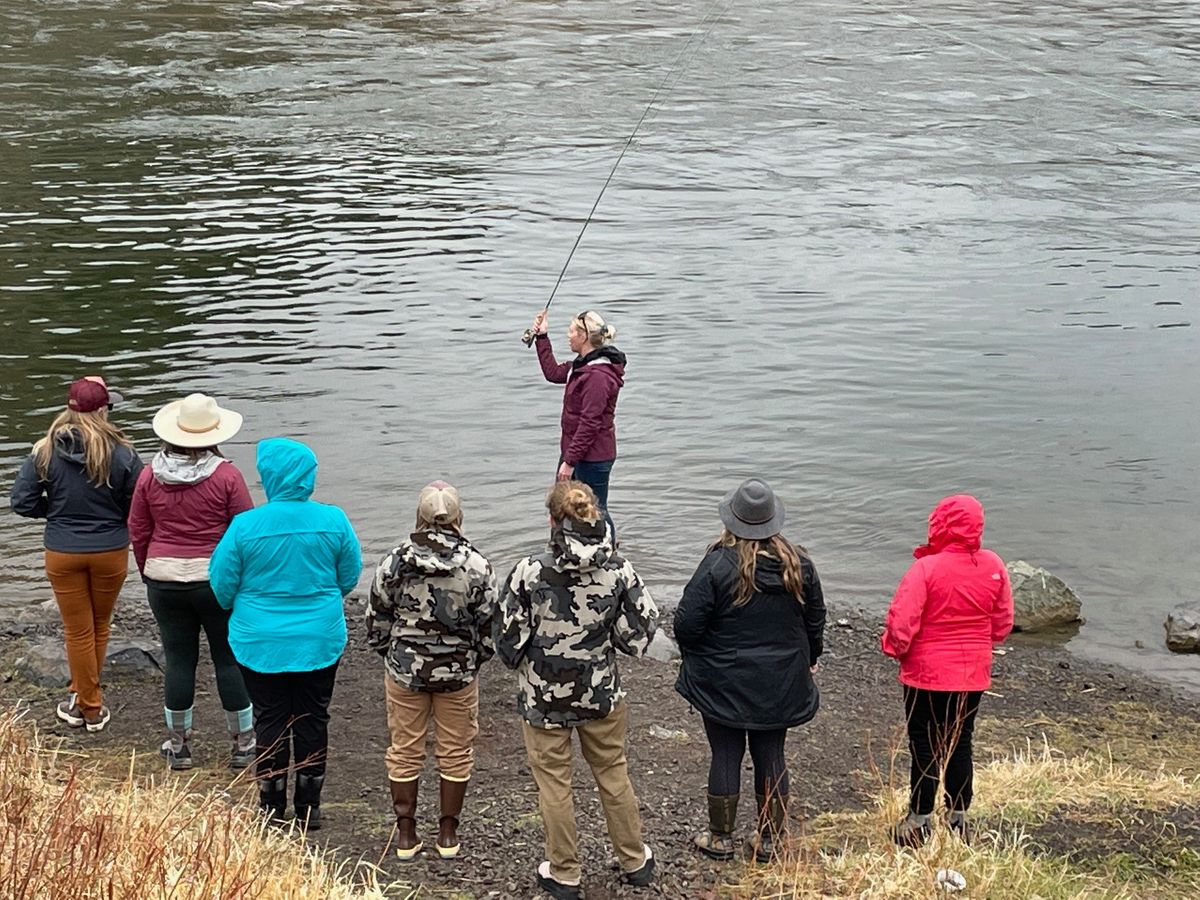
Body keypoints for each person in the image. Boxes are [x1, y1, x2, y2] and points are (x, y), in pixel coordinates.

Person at [496, 481, 657, 899]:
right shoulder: (619, 569)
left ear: (552, 520)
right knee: (612, 771)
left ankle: (564, 872)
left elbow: (508, 640)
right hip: (601, 692)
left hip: (543, 694)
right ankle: (634, 860)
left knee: (554, 782)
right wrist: (611, 639)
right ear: (594, 515)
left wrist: (525, 659)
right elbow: (641, 631)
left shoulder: (529, 571)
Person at [209, 437, 362, 829]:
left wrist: (243, 606)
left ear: (268, 478)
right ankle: (309, 807)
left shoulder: (245, 526)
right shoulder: (334, 520)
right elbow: (348, 577)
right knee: (313, 717)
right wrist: (320, 599)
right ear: (308, 478)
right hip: (319, 636)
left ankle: (271, 806)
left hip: (259, 639)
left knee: (270, 717)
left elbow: (222, 583)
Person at [673, 478, 826, 863]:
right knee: (771, 753)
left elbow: (686, 626)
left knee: (725, 753)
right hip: (781, 681)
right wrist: (809, 659)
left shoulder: (716, 564)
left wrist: (698, 656)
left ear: (732, 521)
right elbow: (815, 621)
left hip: (722, 680)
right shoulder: (800, 565)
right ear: (774, 520)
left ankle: (720, 838)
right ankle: (771, 840)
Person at [366, 480, 498, 861]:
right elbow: (488, 626)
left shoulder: (395, 562)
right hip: (457, 674)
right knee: (455, 751)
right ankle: (448, 834)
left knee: (405, 749)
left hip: (405, 670)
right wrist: (474, 659)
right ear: (458, 517)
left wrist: (391, 655)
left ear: (420, 517)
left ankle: (406, 835)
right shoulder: (477, 565)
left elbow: (377, 618)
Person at [127, 393, 256, 771]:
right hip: (213, 579)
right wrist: (240, 578)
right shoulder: (227, 475)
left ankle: (178, 745)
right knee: (227, 659)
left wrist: (147, 569)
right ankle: (243, 743)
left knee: (179, 660)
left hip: (163, 578)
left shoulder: (150, 474)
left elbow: (138, 528)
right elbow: (243, 530)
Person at [10, 376, 143, 733]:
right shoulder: (124, 453)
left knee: (77, 630)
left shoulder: (44, 450)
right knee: (99, 625)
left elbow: (21, 502)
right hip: (111, 550)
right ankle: (90, 705)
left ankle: (85, 702)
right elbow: (139, 504)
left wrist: (54, 512)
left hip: (63, 551)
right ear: (101, 410)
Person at [881, 494, 1013, 847]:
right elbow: (1002, 624)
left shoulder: (927, 568)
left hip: (926, 674)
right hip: (972, 675)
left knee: (924, 745)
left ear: (940, 524)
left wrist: (894, 649)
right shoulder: (993, 565)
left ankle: (919, 821)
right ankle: (958, 818)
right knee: (960, 741)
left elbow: (902, 622)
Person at [528, 309, 625, 537]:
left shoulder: (598, 376)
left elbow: (590, 423)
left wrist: (569, 462)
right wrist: (542, 337)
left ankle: (608, 552)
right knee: (561, 503)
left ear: (584, 337)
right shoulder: (581, 366)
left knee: (597, 509)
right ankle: (565, 547)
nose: (568, 335)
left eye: (571, 330)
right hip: (575, 452)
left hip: (594, 457)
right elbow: (552, 373)